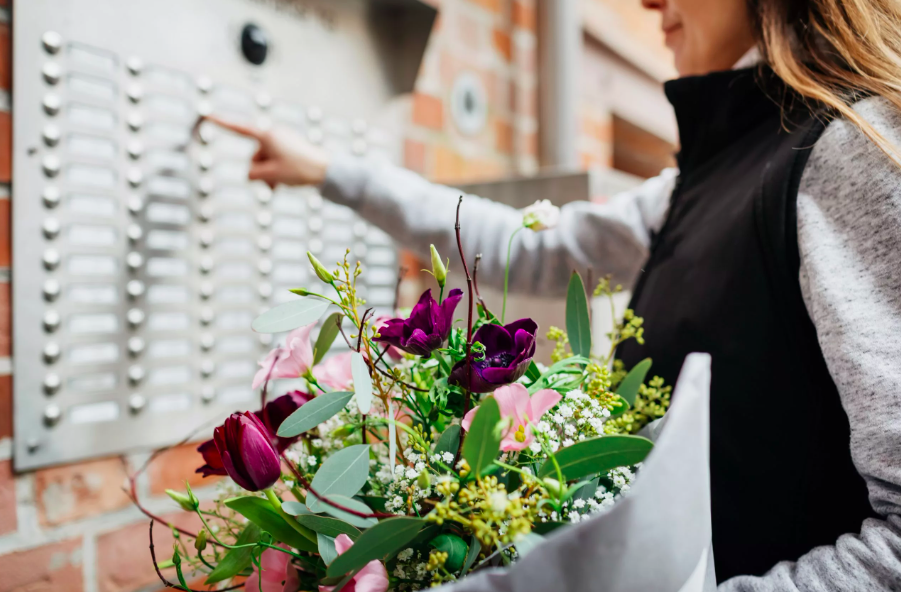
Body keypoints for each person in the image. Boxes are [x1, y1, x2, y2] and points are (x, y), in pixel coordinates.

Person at [209, 0, 901, 588]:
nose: (647, 3)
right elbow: (532, 249)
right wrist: (330, 171)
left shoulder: (849, 151)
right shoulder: (702, 182)